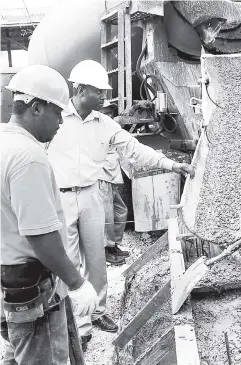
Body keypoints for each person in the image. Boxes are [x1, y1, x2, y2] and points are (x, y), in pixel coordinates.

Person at [46, 60, 193, 345]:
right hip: (60, 196)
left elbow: (135, 150)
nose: (104, 97)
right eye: (99, 92)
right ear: (80, 89)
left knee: (97, 259)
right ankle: (80, 323)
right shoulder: (57, 118)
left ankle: (98, 310)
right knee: (70, 260)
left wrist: (171, 166)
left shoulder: (105, 124)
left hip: (91, 193)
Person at [0, 65, 99, 364]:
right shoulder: (30, 157)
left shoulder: (4, 143)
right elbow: (40, 237)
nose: (60, 122)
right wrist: (77, 283)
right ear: (36, 108)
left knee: (16, 351)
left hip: (8, 278)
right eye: (57, 114)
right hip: (30, 282)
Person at [99, 101, 128, 266]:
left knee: (120, 211)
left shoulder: (109, 126)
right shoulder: (96, 128)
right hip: (102, 176)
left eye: (111, 112)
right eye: (106, 112)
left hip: (112, 176)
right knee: (106, 216)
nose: (109, 115)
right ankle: (105, 250)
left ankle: (114, 244)